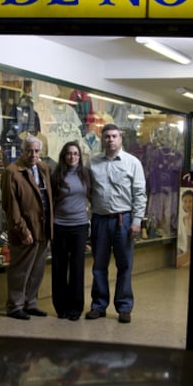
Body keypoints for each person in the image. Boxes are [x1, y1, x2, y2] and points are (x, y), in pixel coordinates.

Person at [86, 123, 147, 324]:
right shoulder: (93, 163)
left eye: (114, 136)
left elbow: (139, 194)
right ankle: (98, 306)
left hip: (124, 220)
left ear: (120, 139)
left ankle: (124, 307)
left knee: (125, 265)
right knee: (99, 266)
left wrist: (137, 221)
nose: (110, 140)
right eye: (107, 137)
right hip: (100, 220)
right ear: (102, 139)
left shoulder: (133, 163)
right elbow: (87, 192)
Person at [1, 134, 53, 320]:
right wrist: (23, 230)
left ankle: (30, 303)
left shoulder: (44, 169)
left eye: (36, 151)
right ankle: (15, 306)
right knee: (20, 270)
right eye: (29, 150)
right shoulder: (12, 172)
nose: (33, 154)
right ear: (23, 151)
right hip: (25, 231)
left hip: (43, 229)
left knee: (37, 270)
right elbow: (10, 205)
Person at [50, 141, 91, 321]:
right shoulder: (56, 175)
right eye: (68, 153)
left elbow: (92, 196)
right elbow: (50, 202)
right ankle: (61, 307)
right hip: (59, 226)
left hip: (80, 226)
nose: (72, 156)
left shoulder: (86, 175)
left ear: (79, 156)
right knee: (59, 267)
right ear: (63, 156)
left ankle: (76, 307)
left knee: (77, 268)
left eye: (75, 153)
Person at [176, 188, 193, 268]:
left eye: (190, 201)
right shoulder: (184, 219)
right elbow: (188, 250)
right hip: (188, 254)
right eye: (185, 201)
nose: (188, 204)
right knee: (175, 264)